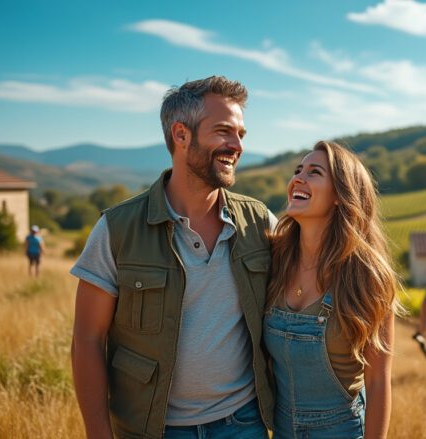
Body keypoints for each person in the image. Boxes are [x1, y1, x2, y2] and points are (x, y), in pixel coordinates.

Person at [70, 76, 277, 438]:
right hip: (154, 429)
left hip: (244, 424)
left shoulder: (259, 221)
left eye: (241, 134)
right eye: (224, 131)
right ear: (181, 135)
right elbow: (87, 340)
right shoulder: (117, 229)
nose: (236, 145)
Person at [264, 141, 401, 438]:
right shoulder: (273, 259)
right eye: (298, 169)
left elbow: (378, 380)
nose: (298, 178)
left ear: (341, 194)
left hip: (342, 431)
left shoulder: (366, 277)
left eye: (314, 172)